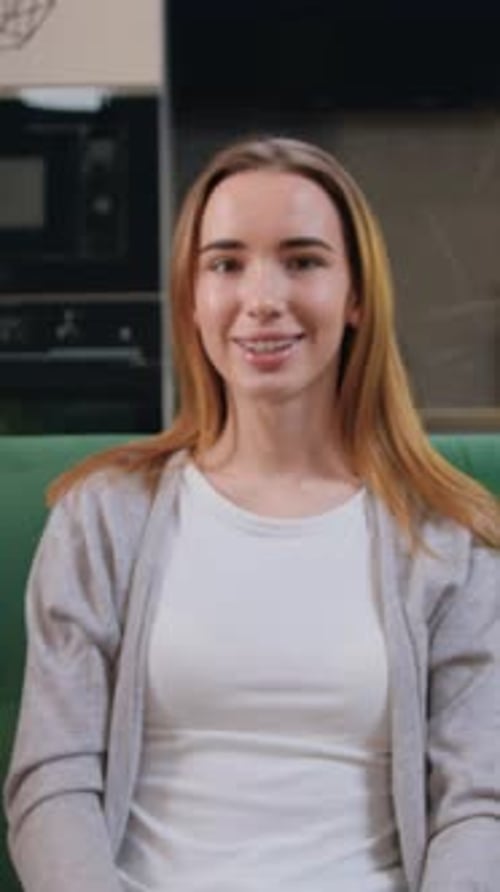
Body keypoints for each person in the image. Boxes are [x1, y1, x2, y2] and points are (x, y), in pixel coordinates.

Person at [4, 136, 500, 892]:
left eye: (302, 261)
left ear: (356, 295)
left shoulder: (450, 535)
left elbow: (479, 805)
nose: (261, 298)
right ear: (192, 298)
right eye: (226, 264)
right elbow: (52, 781)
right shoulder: (101, 519)